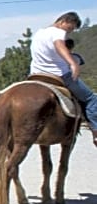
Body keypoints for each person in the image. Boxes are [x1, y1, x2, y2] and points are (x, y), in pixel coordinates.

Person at [29, 11, 97, 147]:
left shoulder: (39, 33)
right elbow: (59, 45)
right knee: (91, 98)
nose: (69, 32)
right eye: (70, 28)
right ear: (64, 21)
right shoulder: (58, 32)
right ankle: (96, 132)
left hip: (35, 73)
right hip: (58, 74)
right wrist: (72, 63)